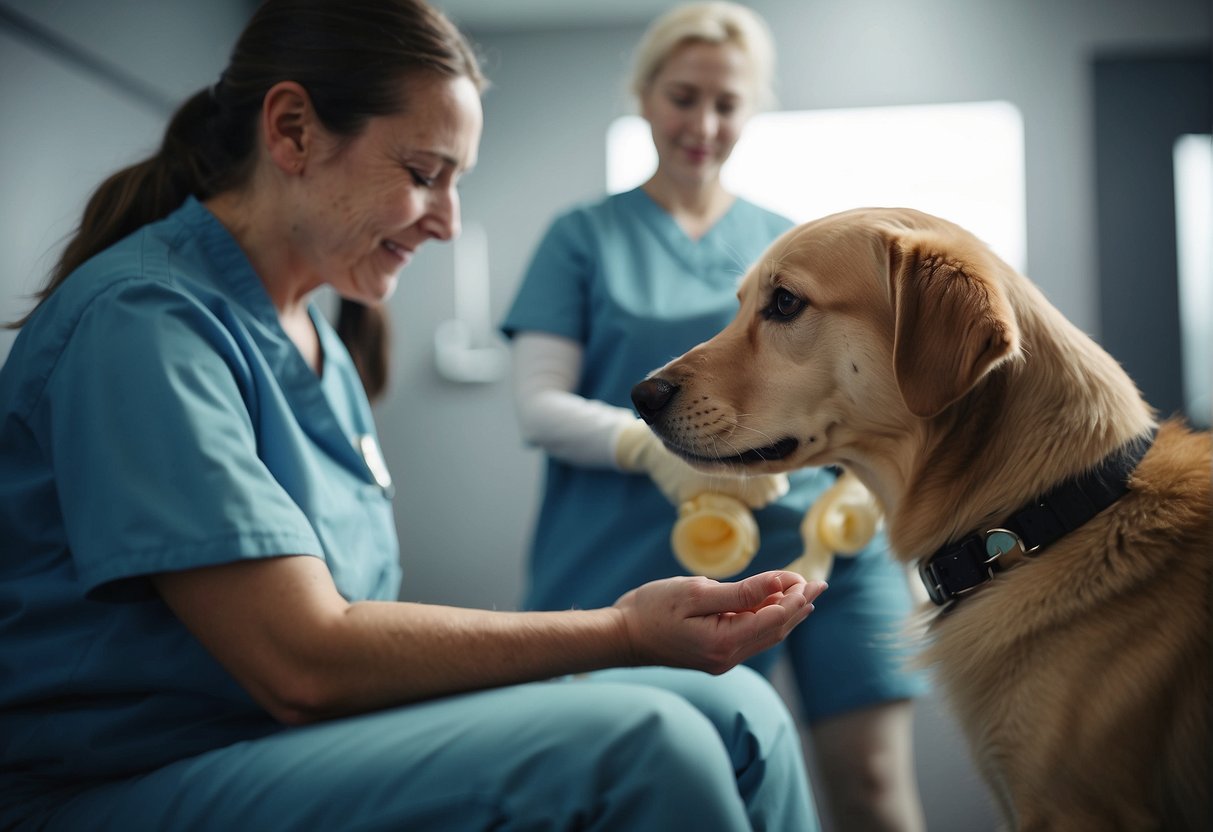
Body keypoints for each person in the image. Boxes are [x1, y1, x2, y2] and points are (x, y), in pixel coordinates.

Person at [0, 2, 828, 829]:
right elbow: (303, 660)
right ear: (291, 131)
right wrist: (621, 632)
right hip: (123, 776)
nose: (448, 221)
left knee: (744, 715)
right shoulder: (144, 322)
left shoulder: (312, 338)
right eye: (426, 173)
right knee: (650, 744)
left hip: (282, 742)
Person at [501, 3, 928, 830]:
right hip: (643, 552)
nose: (703, 123)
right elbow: (538, 405)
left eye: (726, 104)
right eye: (682, 96)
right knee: (678, 784)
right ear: (646, 96)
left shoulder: (784, 242)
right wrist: (650, 447)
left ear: (750, 111)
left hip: (826, 550)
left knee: (874, 788)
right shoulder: (582, 238)